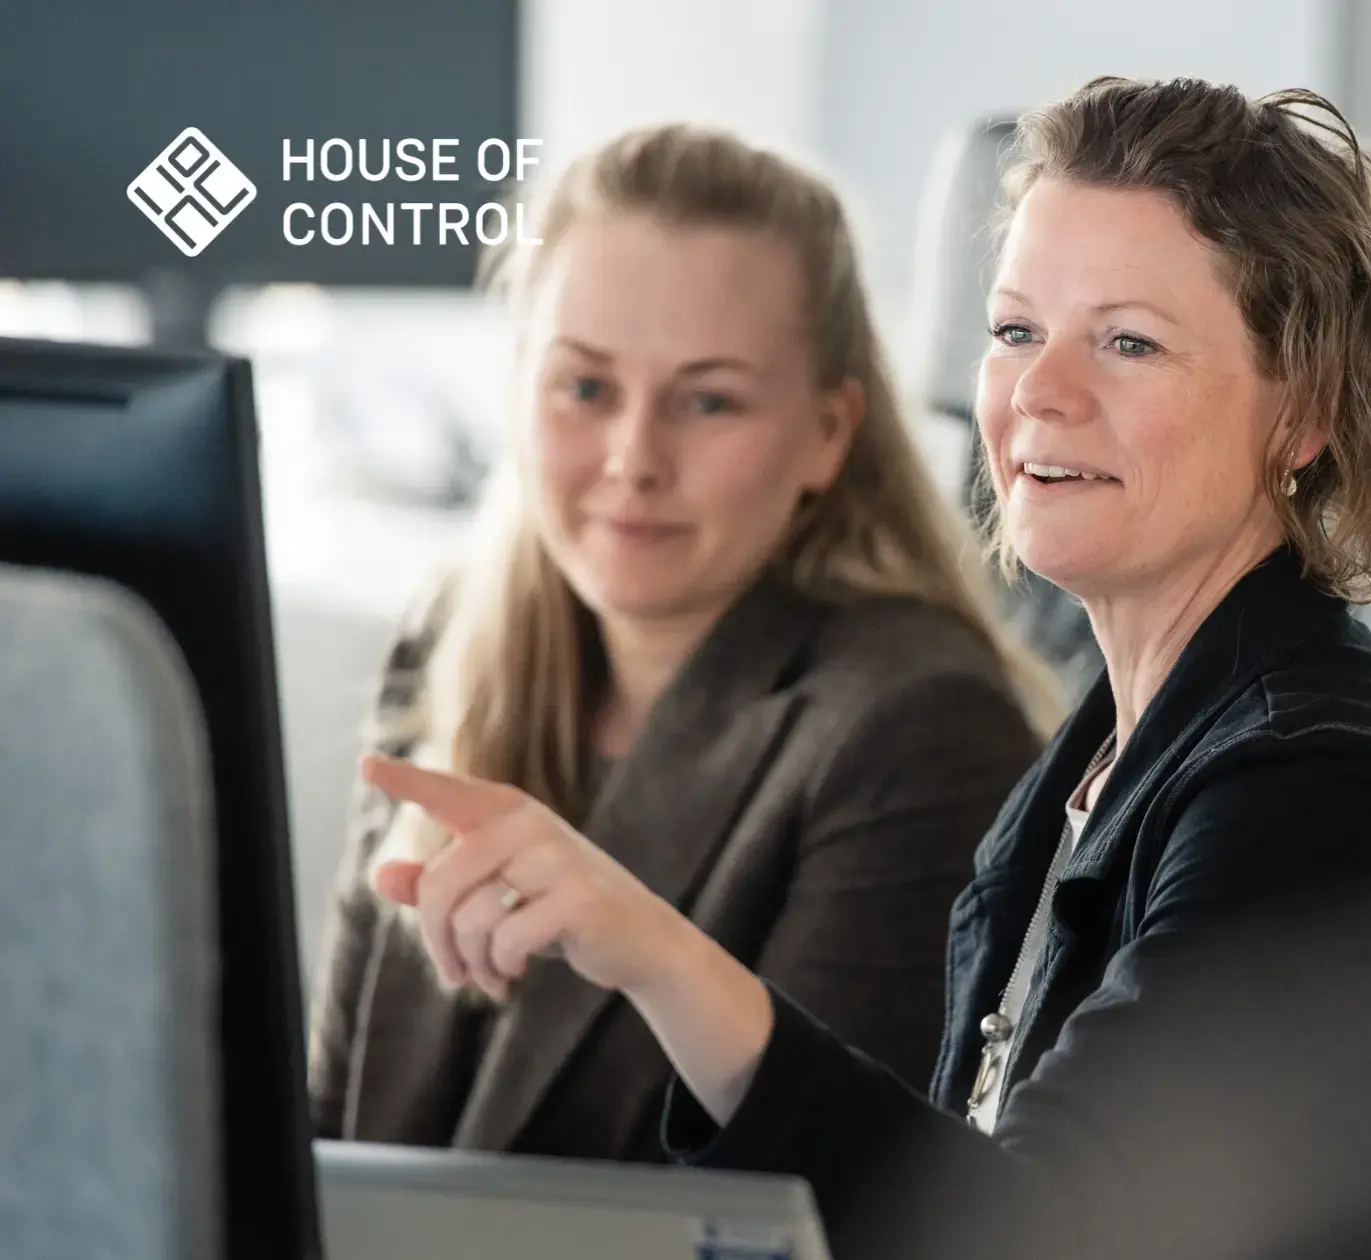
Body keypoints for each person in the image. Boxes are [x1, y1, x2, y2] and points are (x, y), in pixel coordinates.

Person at [360, 78, 1371, 1257]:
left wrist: (653, 950)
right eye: (1012, 332)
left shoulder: (1307, 788)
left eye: (1128, 343)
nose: (1039, 391)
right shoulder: (1105, 755)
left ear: (1302, 413)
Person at [307, 123, 1054, 1164]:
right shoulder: (449, 639)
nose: (632, 458)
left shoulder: (914, 728)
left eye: (707, 400)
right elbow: (325, 1134)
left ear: (827, 433)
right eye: (584, 387)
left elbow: (834, 1207)